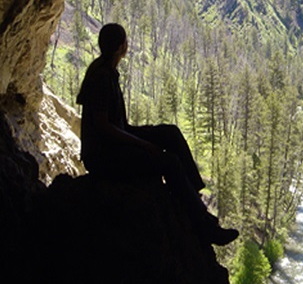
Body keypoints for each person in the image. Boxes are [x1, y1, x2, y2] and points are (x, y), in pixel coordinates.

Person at [76, 23, 238, 246]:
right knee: (169, 162)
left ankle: (193, 192)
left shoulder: (104, 71)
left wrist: (142, 136)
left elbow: (113, 126)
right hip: (104, 158)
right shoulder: (103, 78)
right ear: (122, 47)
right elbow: (104, 126)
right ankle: (205, 225)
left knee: (170, 133)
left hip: (109, 146)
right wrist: (142, 143)